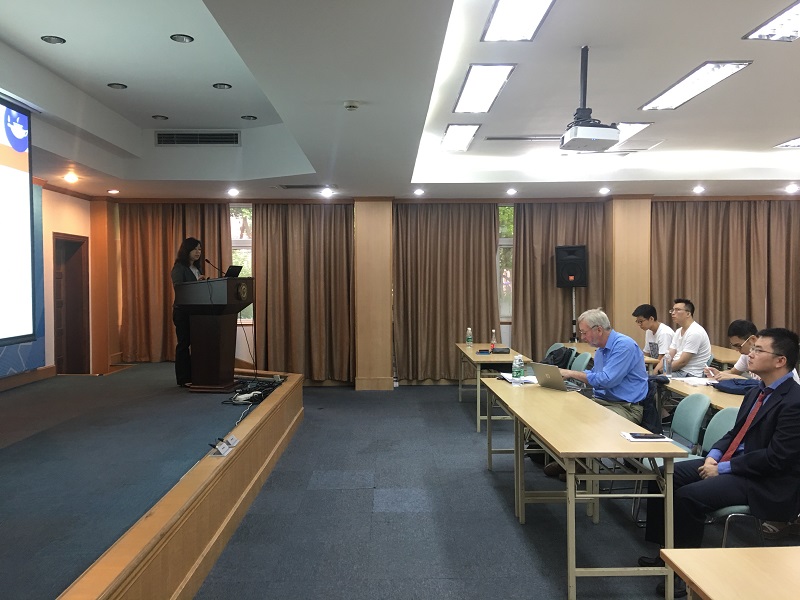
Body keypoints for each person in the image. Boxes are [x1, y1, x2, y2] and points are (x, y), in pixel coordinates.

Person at [638, 328, 800, 598]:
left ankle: (685, 574)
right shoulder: (757, 392)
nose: (750, 354)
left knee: (688, 497)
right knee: (663, 475)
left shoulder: (794, 402)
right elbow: (735, 433)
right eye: (753, 348)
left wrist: (723, 468)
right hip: (735, 465)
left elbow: (776, 458)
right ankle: (665, 552)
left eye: (758, 350)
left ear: (780, 361)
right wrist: (713, 455)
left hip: (764, 479)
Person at [559, 308, 649, 424]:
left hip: (625, 407)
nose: (582, 337)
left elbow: (607, 380)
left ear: (599, 330)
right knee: (566, 413)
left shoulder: (624, 346)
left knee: (586, 423)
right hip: (602, 401)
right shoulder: (601, 349)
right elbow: (596, 374)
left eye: (584, 333)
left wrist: (572, 373)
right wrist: (567, 373)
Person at [705, 319, 800, 384]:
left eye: (739, 346)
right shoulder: (748, 355)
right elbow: (733, 372)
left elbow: (769, 386)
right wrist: (719, 374)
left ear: (752, 339)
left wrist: (738, 379)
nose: (737, 350)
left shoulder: (784, 372)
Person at [171, 237, 207, 387]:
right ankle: (183, 378)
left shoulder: (197, 268)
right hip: (182, 312)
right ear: (187, 250)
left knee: (197, 343)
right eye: (195, 249)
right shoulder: (179, 268)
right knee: (184, 344)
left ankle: (195, 375)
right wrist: (196, 283)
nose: (198, 252)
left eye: (200, 249)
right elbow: (179, 288)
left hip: (195, 312)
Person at [654, 298, 712, 377]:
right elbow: (668, 355)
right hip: (676, 370)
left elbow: (682, 362)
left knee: (655, 380)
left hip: (689, 374)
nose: (673, 313)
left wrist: (661, 371)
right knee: (648, 377)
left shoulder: (695, 332)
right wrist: (654, 372)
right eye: (673, 310)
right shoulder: (678, 331)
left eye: (677, 310)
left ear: (688, 314)